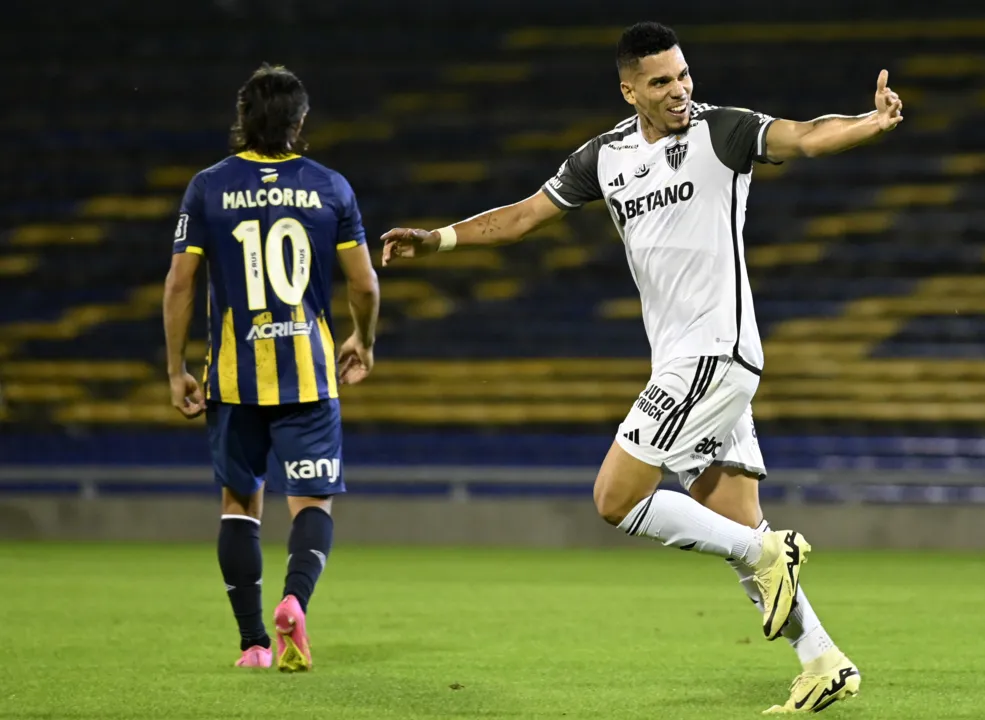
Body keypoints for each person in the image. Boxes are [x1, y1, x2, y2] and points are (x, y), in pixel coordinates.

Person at [380, 21, 903, 713]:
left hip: (712, 353)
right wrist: (437, 239)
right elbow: (523, 216)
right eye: (660, 81)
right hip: (692, 361)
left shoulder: (724, 132)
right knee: (736, 524)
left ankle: (768, 554)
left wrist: (868, 122)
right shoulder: (605, 157)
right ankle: (821, 660)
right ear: (629, 89)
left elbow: (804, 134)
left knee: (615, 500)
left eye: (682, 74)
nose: (679, 90)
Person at [163, 63, 379, 671]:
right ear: (301, 121)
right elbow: (363, 283)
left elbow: (181, 282)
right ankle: (295, 599)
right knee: (311, 503)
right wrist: (362, 338)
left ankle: (254, 643)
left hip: (233, 378)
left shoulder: (207, 187)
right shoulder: (330, 187)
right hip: (309, 374)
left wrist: (177, 366)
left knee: (240, 502)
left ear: (242, 120)